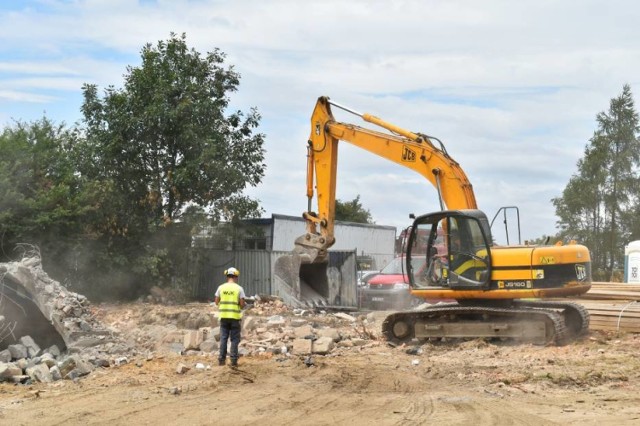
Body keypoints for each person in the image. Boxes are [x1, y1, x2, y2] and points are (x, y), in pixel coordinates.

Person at [214, 267, 246, 367]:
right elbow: (242, 304)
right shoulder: (239, 288)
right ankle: (233, 360)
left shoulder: (221, 287)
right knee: (234, 339)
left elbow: (216, 302)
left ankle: (221, 360)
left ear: (227, 276)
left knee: (223, 338)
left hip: (223, 317)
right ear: (236, 276)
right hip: (235, 317)